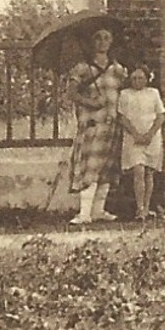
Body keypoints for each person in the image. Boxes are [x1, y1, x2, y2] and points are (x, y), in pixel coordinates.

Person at [64, 26, 126, 225]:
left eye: (106, 38)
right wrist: (90, 102)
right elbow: (71, 93)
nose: (102, 42)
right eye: (97, 38)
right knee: (90, 167)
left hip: (112, 124)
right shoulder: (83, 68)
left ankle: (98, 210)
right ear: (91, 42)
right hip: (92, 123)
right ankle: (85, 213)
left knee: (106, 168)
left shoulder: (117, 69)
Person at [117, 62, 165, 220]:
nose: (137, 81)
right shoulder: (125, 94)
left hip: (152, 137)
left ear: (147, 79)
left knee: (149, 173)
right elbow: (122, 117)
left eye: (141, 78)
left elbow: (160, 116)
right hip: (133, 137)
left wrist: (150, 134)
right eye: (134, 78)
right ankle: (139, 208)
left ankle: (146, 207)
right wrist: (136, 134)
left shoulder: (153, 93)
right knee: (138, 170)